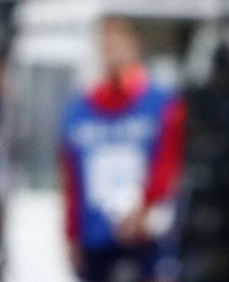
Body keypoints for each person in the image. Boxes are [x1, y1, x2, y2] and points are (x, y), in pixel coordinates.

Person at [59, 18, 185, 282]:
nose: (114, 54)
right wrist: (70, 235)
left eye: (119, 45)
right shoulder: (77, 111)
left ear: (134, 47)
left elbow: (167, 165)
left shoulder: (161, 103)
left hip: (145, 233)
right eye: (107, 46)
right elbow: (72, 181)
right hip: (96, 235)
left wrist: (144, 208)